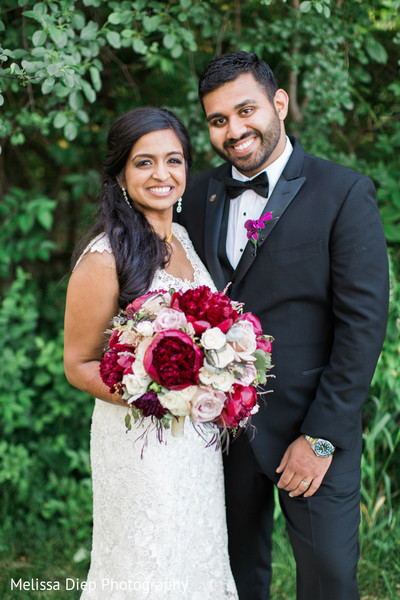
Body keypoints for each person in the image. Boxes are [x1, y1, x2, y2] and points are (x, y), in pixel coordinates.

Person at [178, 51, 389, 600]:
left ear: (279, 103)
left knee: (329, 581)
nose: (234, 130)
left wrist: (320, 438)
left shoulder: (343, 192)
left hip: (311, 430)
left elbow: (363, 325)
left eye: (245, 110)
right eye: (218, 120)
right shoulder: (194, 195)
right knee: (231, 577)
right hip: (217, 433)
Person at [63, 107, 238, 600]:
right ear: (120, 173)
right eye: (144, 163)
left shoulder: (181, 237)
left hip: (195, 441)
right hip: (139, 441)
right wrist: (158, 397)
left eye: (174, 160)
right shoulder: (105, 257)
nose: (162, 175)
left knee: (193, 550)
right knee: (150, 562)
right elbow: (77, 364)